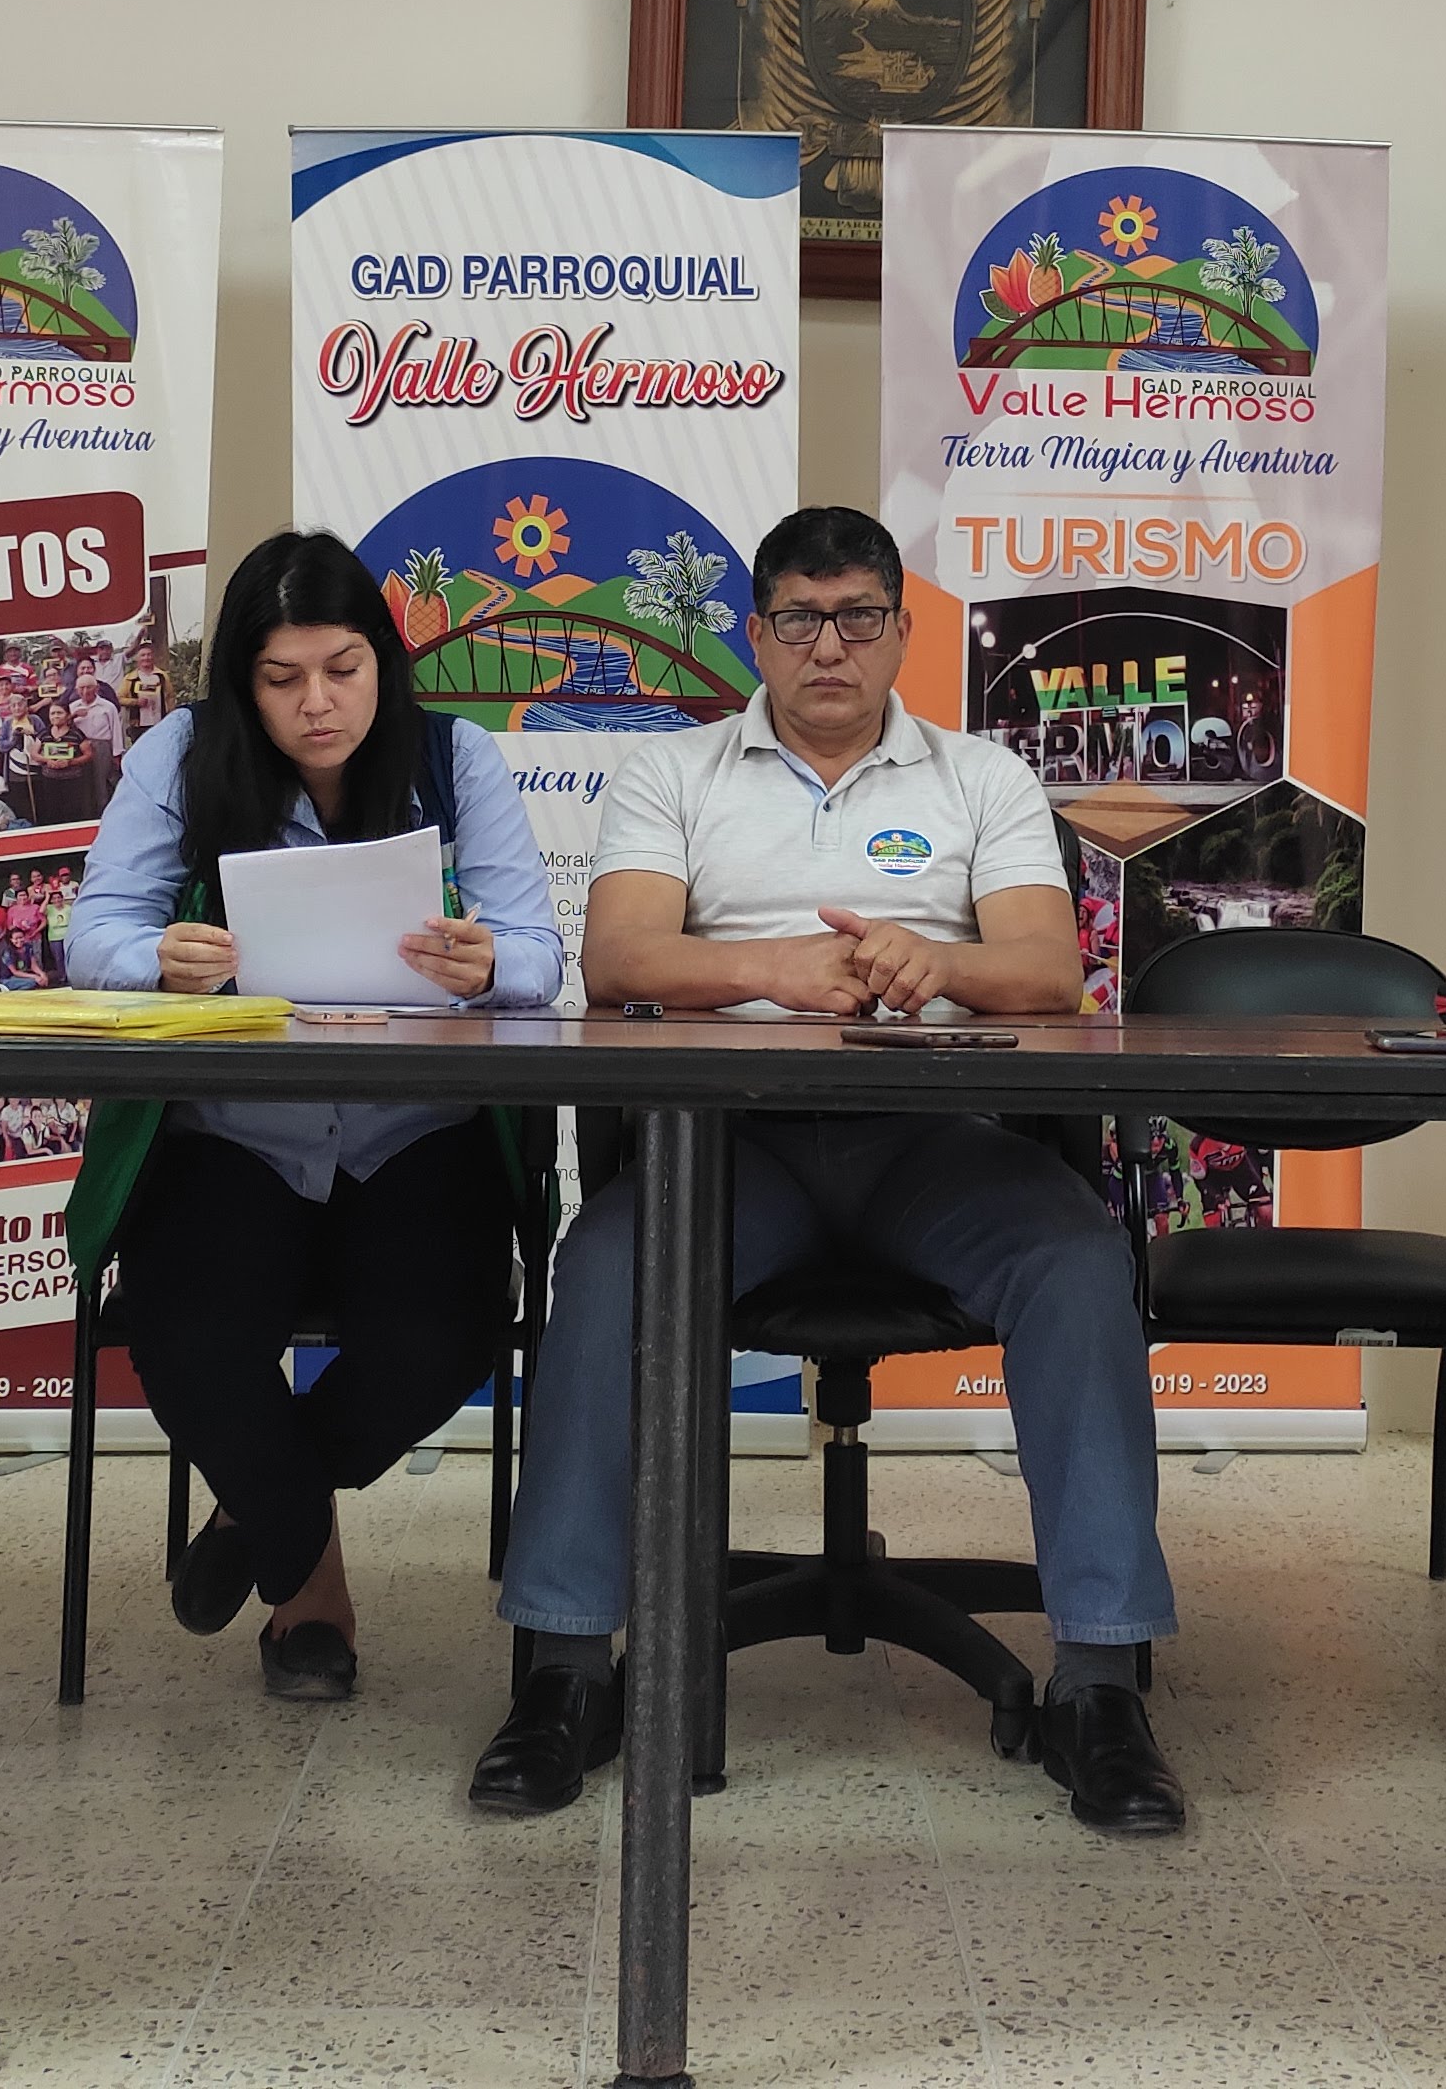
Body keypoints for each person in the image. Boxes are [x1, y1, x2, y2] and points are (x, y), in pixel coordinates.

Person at [469, 506, 1185, 1834]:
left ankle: (1099, 1687)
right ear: (757, 634)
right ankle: (564, 1670)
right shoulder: (673, 773)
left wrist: (938, 963)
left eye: (858, 617)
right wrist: (775, 970)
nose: (829, 646)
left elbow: (1048, 974)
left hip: (935, 1144)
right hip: (730, 1147)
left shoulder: (980, 778)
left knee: (1081, 1265)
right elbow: (620, 960)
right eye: (800, 619)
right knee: (606, 1268)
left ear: (902, 631)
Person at [66, 531, 557, 1701]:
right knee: (186, 1336)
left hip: (414, 1131)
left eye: (342, 669)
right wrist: (159, 958)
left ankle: (256, 1514)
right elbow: (95, 935)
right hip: (236, 1130)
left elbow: (539, 956)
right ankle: (311, 1581)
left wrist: (486, 964)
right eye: (280, 680)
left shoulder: (456, 757)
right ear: (242, 683)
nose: (316, 705)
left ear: (383, 658)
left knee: (442, 1337)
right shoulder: (183, 754)